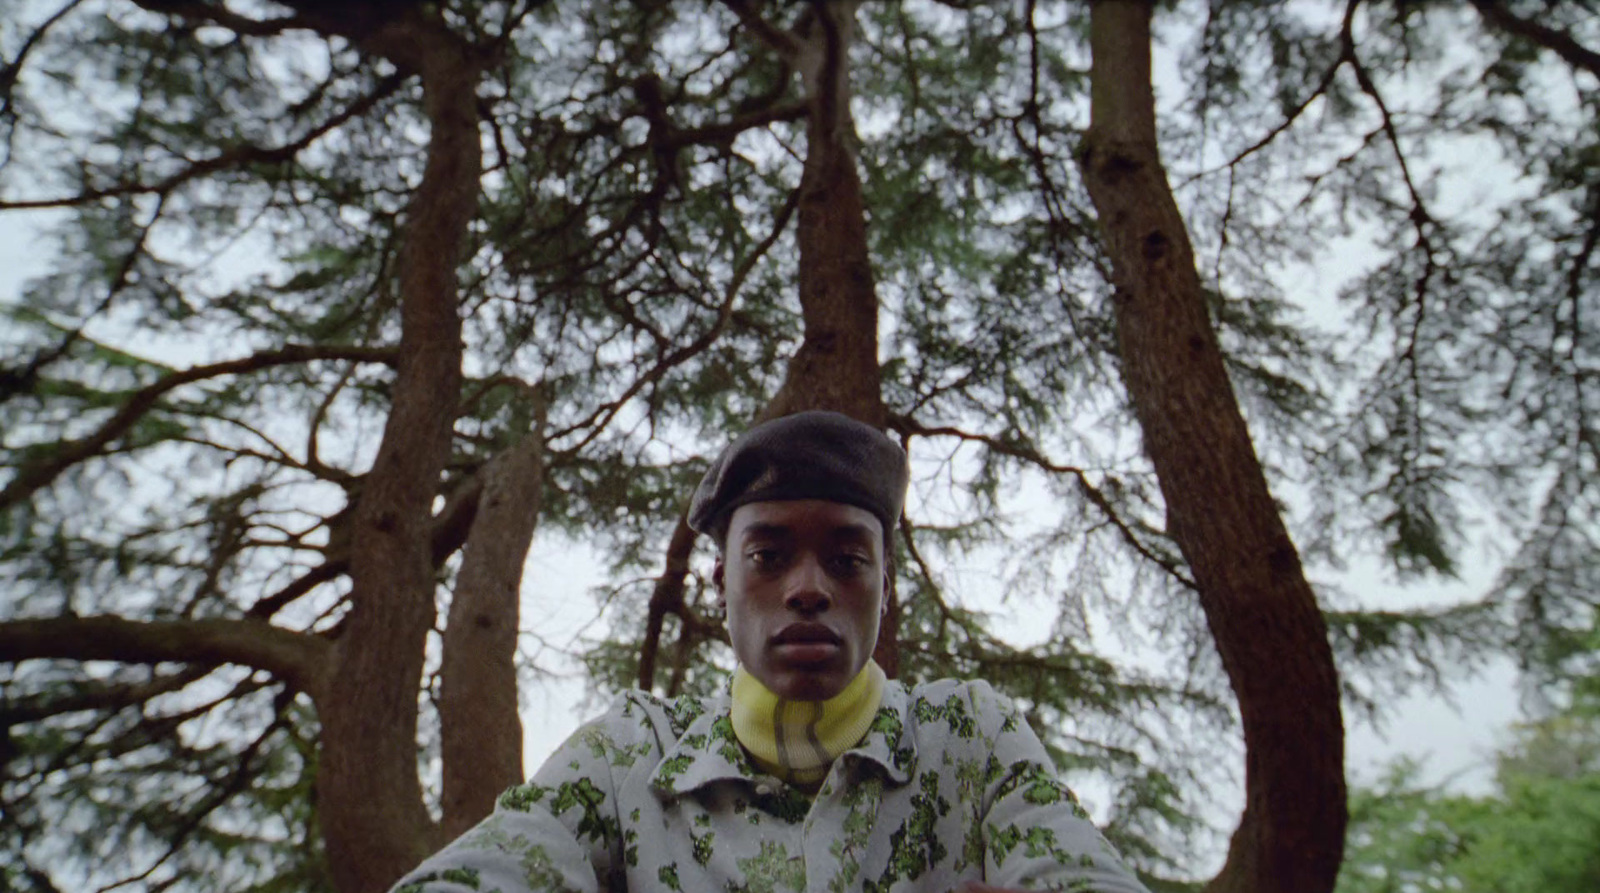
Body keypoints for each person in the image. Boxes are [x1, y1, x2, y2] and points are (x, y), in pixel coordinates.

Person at [390, 411, 1152, 893]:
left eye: (849, 559)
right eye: (770, 556)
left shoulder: (970, 738)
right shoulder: (630, 757)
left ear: (886, 588)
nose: (809, 588)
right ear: (721, 581)